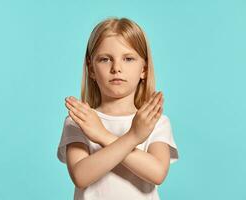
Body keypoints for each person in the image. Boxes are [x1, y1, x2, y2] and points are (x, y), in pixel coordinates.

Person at [57, 17, 179, 200]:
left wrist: (103, 135)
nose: (117, 68)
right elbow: (81, 176)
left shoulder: (155, 121)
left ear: (144, 68)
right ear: (91, 69)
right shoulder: (79, 120)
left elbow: (157, 173)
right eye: (105, 59)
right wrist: (133, 137)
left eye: (128, 59)